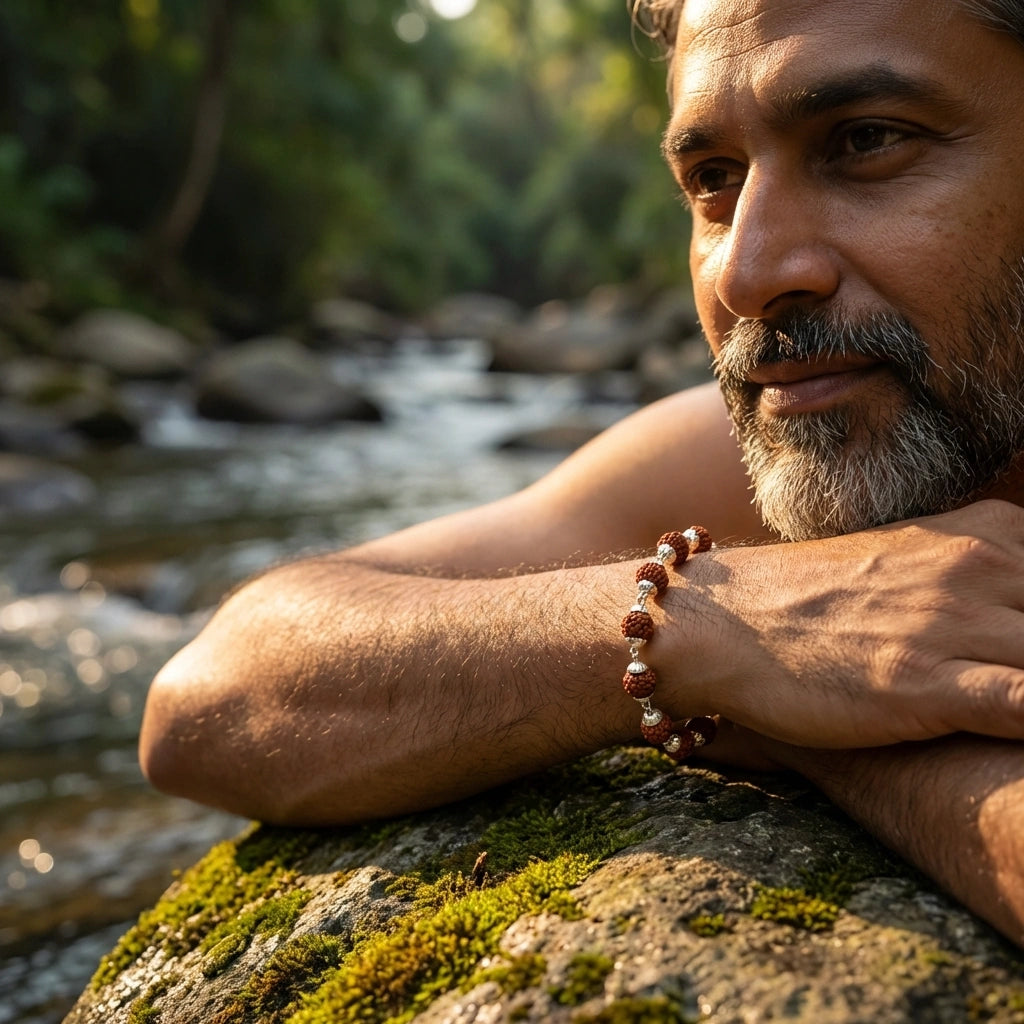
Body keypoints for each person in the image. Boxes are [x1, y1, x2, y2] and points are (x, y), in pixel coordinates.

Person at [139, 0, 1024, 947]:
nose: (746, 271)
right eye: (713, 179)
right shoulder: (751, 454)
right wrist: (728, 631)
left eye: (867, 140)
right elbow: (211, 696)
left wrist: (832, 729)